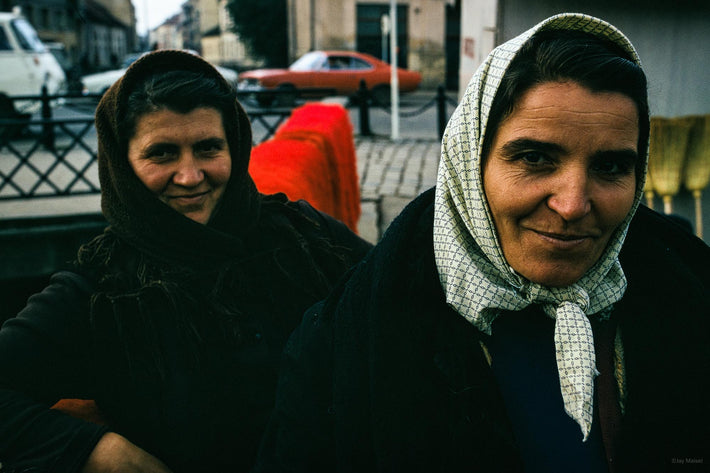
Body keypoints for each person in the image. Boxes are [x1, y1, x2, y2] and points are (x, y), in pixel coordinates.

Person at [253, 13, 709, 473]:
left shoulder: (688, 288)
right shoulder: (346, 340)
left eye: (611, 168)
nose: (572, 204)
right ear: (470, 161)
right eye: (535, 158)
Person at [0, 50, 372, 472]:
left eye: (208, 148)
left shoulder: (304, 235)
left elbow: (396, 303)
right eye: (161, 154)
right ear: (122, 163)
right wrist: (99, 450)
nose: (190, 176)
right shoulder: (100, 290)